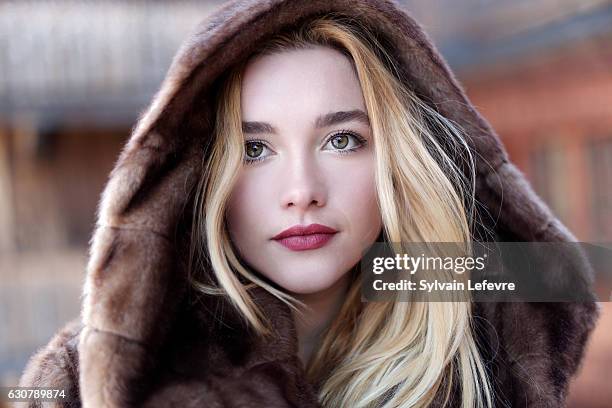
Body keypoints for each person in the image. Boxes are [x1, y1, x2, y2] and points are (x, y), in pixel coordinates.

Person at [18, 1, 599, 407]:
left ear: (397, 161)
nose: (302, 190)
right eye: (253, 149)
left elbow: (560, 272)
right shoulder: (79, 383)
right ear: (202, 175)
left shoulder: (482, 344)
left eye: (341, 139)